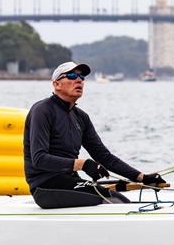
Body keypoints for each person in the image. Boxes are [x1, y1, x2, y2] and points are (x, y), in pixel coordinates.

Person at [24, 61, 166, 209]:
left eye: (82, 77)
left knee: (120, 200)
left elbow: (104, 156)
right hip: (45, 187)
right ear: (56, 84)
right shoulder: (42, 111)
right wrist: (83, 164)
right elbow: (39, 159)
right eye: (72, 76)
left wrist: (142, 177)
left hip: (69, 181)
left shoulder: (81, 117)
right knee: (114, 201)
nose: (79, 80)